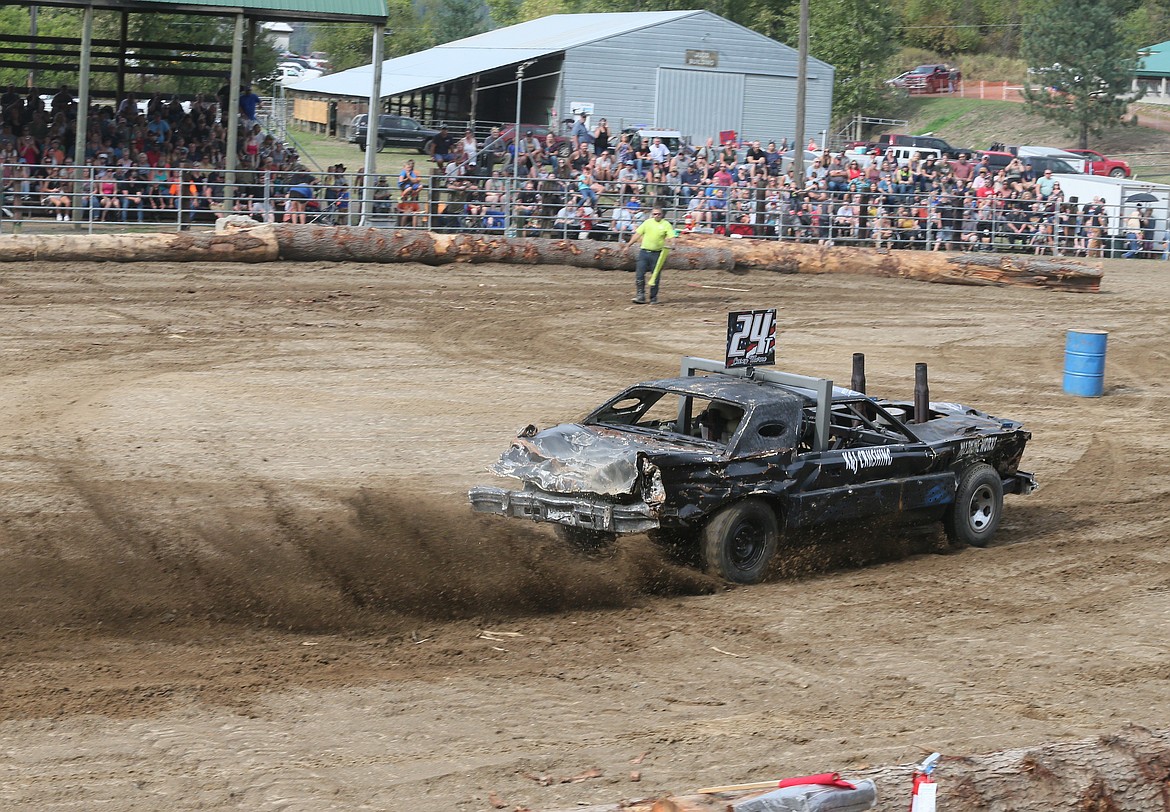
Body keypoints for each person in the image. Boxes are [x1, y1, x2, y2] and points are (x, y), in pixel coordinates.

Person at [630, 207, 676, 304]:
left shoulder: (666, 224)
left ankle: (653, 298)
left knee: (655, 276)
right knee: (640, 274)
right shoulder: (647, 223)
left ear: (662, 214)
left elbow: (671, 236)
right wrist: (628, 245)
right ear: (652, 214)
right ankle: (640, 296)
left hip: (657, 254)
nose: (656, 216)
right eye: (654, 214)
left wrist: (673, 244)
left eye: (658, 214)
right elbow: (638, 234)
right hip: (644, 252)